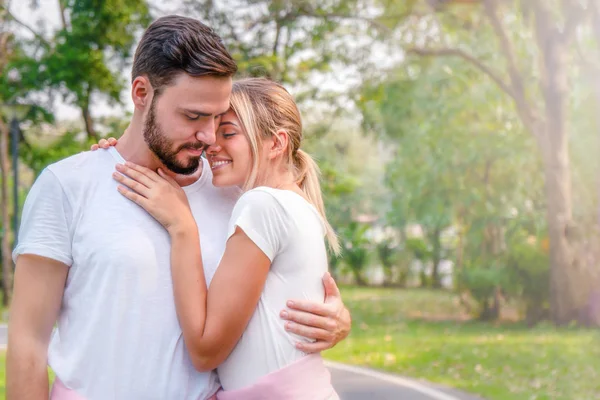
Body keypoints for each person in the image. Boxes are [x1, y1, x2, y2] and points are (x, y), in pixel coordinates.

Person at [7, 16, 351, 400]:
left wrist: (336, 319)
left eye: (220, 120)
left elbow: (279, 289)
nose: (207, 136)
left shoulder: (235, 191)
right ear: (141, 93)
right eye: (193, 116)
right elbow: (28, 347)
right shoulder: (67, 187)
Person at [105, 77, 340, 399]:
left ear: (276, 143)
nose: (212, 144)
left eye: (228, 133)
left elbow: (205, 350)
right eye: (213, 131)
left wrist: (182, 227)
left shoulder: (262, 204)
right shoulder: (297, 205)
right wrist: (123, 152)